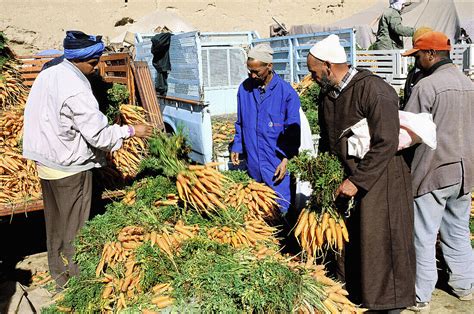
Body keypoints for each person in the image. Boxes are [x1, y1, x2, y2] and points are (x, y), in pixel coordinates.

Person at [22, 31, 153, 288]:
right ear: (78, 59)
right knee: (76, 229)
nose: (94, 69)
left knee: (56, 226)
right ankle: (78, 283)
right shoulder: (75, 88)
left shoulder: (49, 73)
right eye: (92, 63)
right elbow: (100, 136)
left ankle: (59, 277)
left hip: (47, 163)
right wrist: (130, 131)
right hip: (69, 168)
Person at [307, 34, 415, 313]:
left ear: (329, 66)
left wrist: (358, 180)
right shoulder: (328, 94)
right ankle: (361, 300)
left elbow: (387, 142)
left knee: (381, 244)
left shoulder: (374, 90)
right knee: (354, 245)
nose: (312, 78)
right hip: (348, 181)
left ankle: (390, 305)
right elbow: (329, 141)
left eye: (314, 72)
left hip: (381, 180)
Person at [402, 31, 474, 311]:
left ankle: (421, 297)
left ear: (431, 54)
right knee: (456, 232)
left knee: (423, 234)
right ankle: (465, 287)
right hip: (465, 171)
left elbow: (408, 132)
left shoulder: (427, 87)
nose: (416, 61)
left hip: (433, 171)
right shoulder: (469, 84)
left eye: (418, 55)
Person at [231, 43, 301, 215]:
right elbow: (240, 121)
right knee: (258, 211)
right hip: (254, 163)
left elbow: (293, 131)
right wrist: (237, 145)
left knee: (280, 209)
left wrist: (285, 159)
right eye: (250, 71)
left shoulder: (286, 93)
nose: (252, 75)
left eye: (257, 72)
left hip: (276, 165)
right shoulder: (244, 89)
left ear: (269, 66)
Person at [401, 26, 433, 109]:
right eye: (415, 57)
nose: (417, 62)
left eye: (418, 57)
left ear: (430, 53)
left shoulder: (437, 77)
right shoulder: (413, 73)